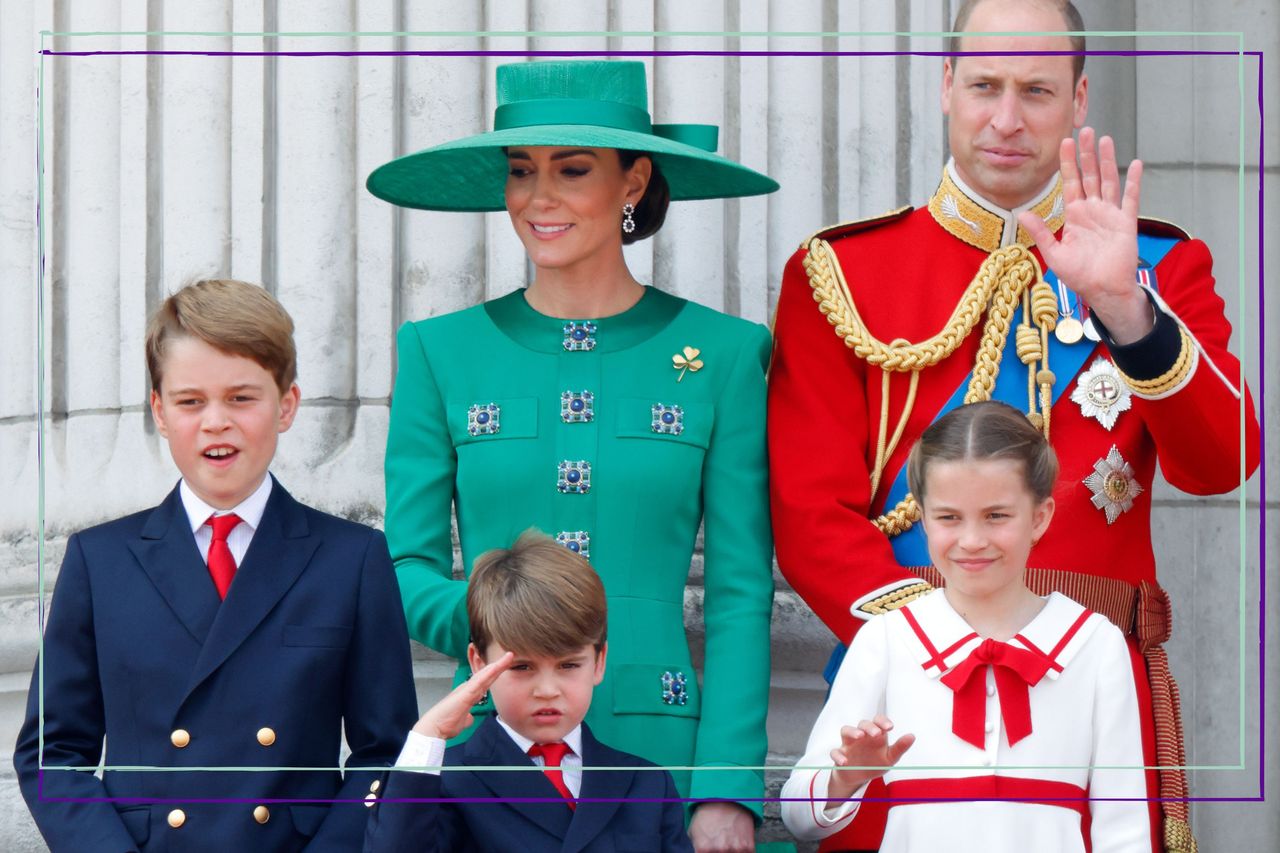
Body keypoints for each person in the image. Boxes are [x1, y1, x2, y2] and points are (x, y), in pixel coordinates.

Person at [768, 0, 1259, 849]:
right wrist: (937, 643)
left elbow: (1226, 460)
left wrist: (1125, 309)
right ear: (947, 85)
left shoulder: (1160, 265)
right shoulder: (839, 273)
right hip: (907, 694)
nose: (1006, 118)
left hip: (1095, 688)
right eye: (986, 85)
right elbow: (810, 515)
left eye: (1036, 91)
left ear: (1079, 99)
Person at [368, 59, 778, 851]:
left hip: (665, 754)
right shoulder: (437, 351)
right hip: (488, 752)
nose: (538, 197)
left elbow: (738, 589)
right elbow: (404, 568)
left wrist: (728, 781)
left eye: (573, 170)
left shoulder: (723, 354)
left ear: (634, 182)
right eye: (522, 172)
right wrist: (508, 629)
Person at [13, 279, 418, 852]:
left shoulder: (351, 559)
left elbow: (388, 753)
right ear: (159, 410)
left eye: (241, 397)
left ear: (287, 406)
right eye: (190, 400)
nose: (215, 421)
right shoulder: (98, 562)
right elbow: (53, 755)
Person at [780, 402, 1151, 852]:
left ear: (1040, 517)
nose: (972, 540)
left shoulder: (1096, 644)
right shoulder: (887, 639)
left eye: (996, 516)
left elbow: (1125, 828)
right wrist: (844, 778)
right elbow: (799, 816)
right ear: (923, 516)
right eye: (949, 517)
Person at [364, 531, 693, 852]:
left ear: (599, 661)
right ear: (479, 663)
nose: (547, 690)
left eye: (568, 666)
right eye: (521, 667)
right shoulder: (447, 781)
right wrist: (427, 736)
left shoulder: (645, 783)